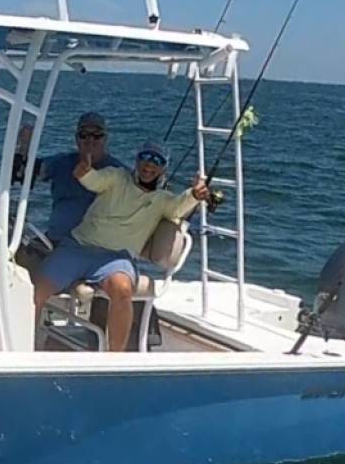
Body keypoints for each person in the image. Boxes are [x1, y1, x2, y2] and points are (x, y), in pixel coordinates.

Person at [33, 141, 212, 351]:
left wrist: (194, 195)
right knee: (38, 289)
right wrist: (84, 172)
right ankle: (23, 346)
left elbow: (178, 207)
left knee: (123, 289)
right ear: (137, 161)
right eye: (145, 157)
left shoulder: (163, 200)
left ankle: (115, 360)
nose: (149, 165)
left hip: (116, 258)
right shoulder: (117, 176)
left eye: (157, 161)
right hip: (78, 247)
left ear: (163, 168)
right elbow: (94, 181)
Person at [19, 111, 126, 247]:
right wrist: (24, 146)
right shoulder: (62, 163)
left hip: (95, 248)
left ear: (105, 139)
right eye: (84, 135)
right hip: (55, 241)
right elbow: (27, 172)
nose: (90, 140)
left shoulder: (118, 172)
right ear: (76, 138)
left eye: (97, 135)